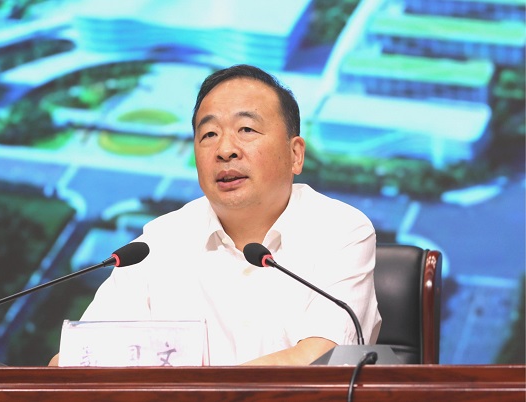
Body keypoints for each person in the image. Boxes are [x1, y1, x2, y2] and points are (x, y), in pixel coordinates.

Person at [50, 64, 381, 366]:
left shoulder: (340, 230)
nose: (225, 150)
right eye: (209, 134)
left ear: (295, 154)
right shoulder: (158, 243)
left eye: (246, 129)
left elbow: (321, 357)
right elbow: (78, 362)